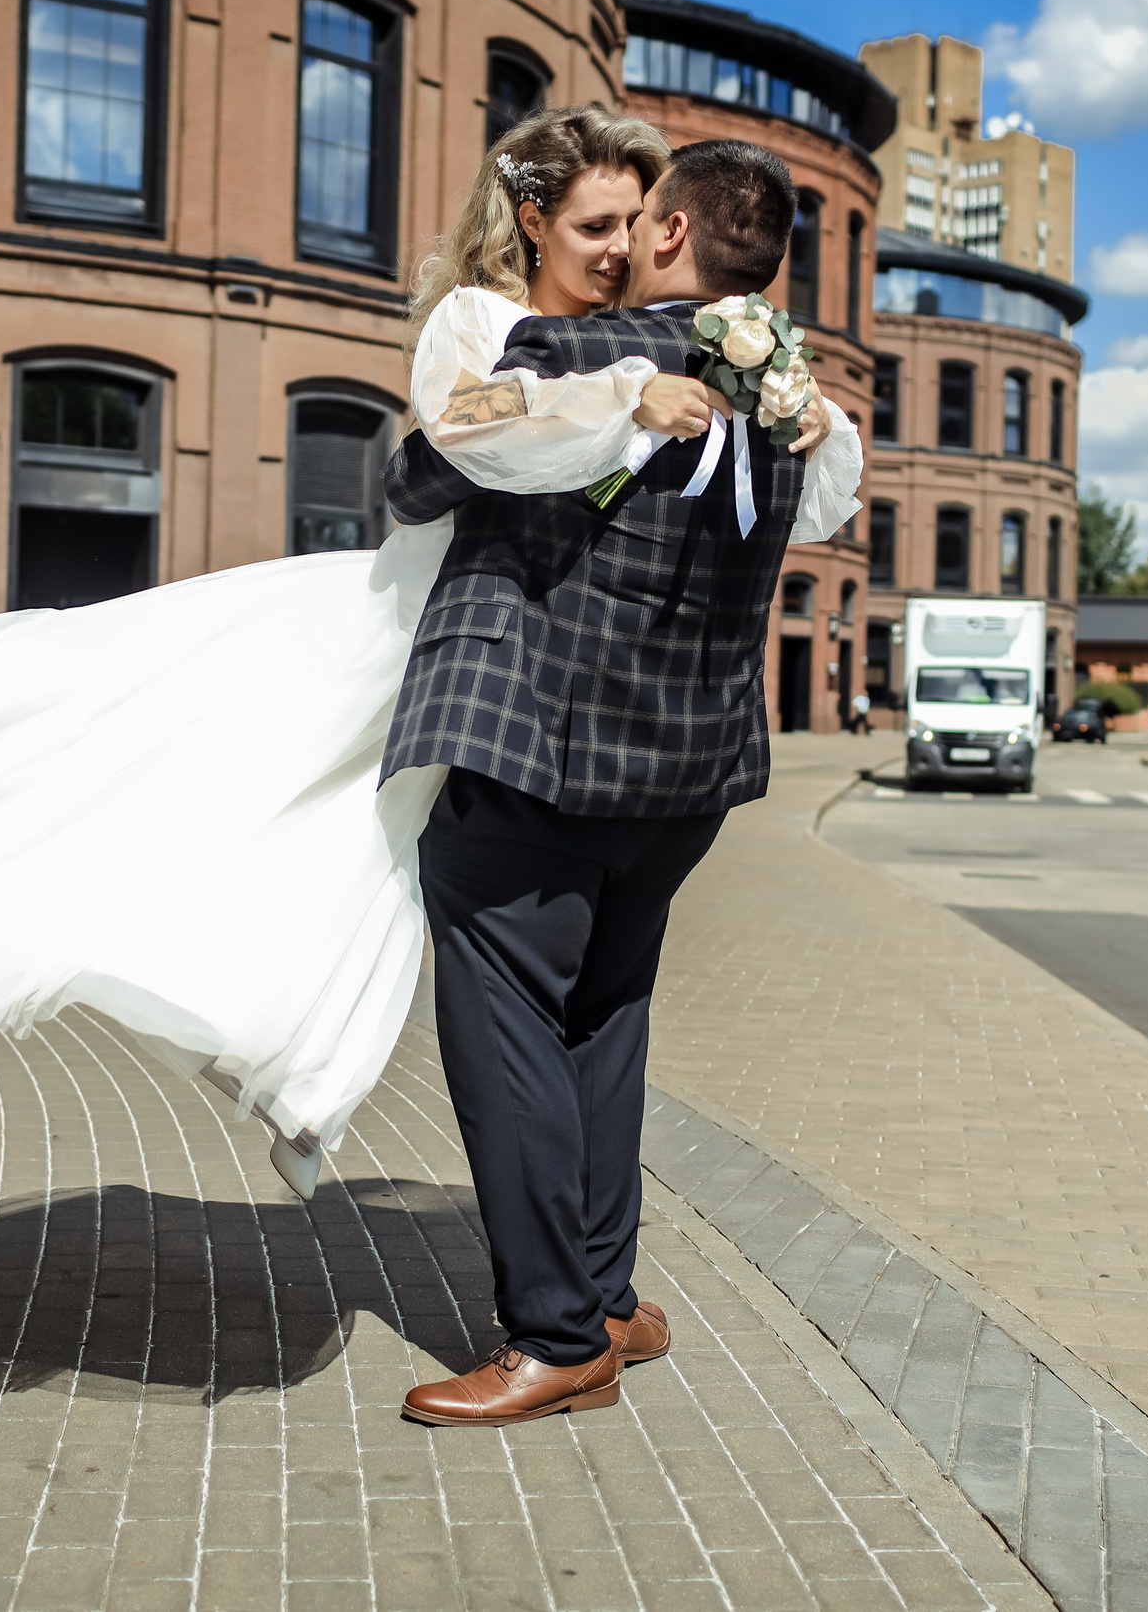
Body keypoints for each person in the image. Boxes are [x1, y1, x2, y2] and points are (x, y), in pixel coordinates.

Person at [0, 110, 861, 1217]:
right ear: (531, 220)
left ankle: (327, 1086)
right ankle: (298, 1064)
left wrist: (776, 419)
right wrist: (620, 396)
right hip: (416, 627)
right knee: (251, 799)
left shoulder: (687, 349)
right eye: (595, 227)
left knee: (381, 876)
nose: (618, 251)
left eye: (633, 225)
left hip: (534, 679)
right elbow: (463, 432)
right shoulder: (484, 320)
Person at [387, 138, 858, 1430]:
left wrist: (573, 396)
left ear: (667, 232)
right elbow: (823, 502)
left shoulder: (567, 350)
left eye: (638, 216)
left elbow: (423, 457)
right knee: (605, 1014)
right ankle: (606, 1303)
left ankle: (551, 1335)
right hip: (688, 777)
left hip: (547, 751)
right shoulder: (795, 401)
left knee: (507, 1017)